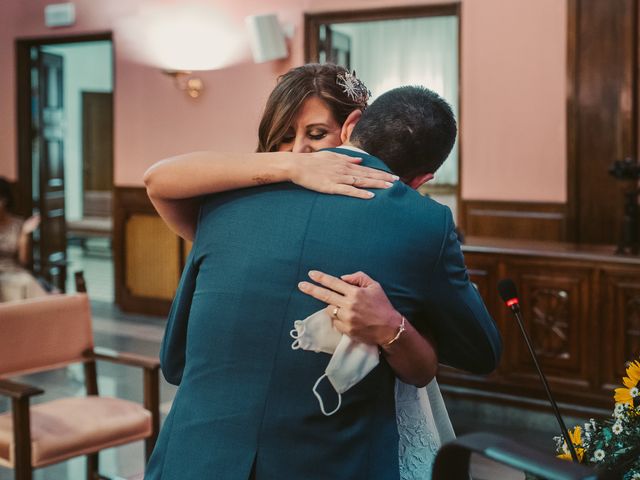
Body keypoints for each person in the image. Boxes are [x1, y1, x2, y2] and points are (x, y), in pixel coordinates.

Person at [144, 65, 501, 479]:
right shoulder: (425, 223)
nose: (300, 154)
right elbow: (480, 353)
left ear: (350, 126)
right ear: (425, 178)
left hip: (194, 457)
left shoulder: (221, 204)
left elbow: (176, 359)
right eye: (284, 139)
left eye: (316, 135)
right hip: (327, 460)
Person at [0, 177, 47, 301]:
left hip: (14, 272)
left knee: (26, 282)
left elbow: (23, 260)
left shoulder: (18, 224)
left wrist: (24, 234)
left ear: (4, 201)